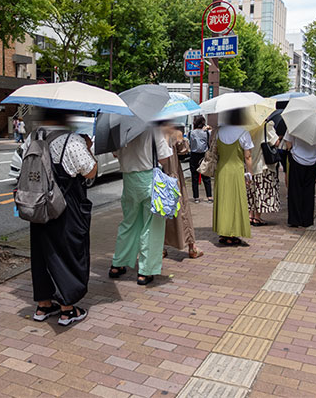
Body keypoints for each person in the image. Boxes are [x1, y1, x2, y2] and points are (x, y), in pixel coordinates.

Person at [24, 109, 97, 326]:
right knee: (69, 251)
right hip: (65, 204)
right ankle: (68, 309)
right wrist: (88, 148)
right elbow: (89, 172)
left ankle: (43, 305)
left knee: (42, 253)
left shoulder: (34, 136)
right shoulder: (72, 141)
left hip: (39, 204)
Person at [110, 127, 172, 285]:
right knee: (151, 225)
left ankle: (118, 264)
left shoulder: (121, 129)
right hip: (149, 178)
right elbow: (164, 158)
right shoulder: (152, 129)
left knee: (129, 222)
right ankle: (145, 271)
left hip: (129, 180)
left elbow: (115, 153)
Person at [161, 123, 203, 259]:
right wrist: (181, 138)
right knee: (181, 209)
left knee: (157, 212)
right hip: (171, 172)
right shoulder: (169, 130)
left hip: (151, 176)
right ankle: (192, 246)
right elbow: (183, 149)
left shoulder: (145, 129)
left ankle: (160, 247)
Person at [213, 110, 255, 246]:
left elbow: (214, 150)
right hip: (237, 171)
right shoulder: (243, 132)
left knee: (223, 200)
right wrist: (250, 173)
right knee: (236, 201)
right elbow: (248, 156)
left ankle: (223, 233)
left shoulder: (218, 131)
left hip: (221, 169)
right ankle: (234, 233)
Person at [246, 121, 281, 226]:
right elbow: (275, 142)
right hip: (263, 164)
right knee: (262, 190)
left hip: (250, 164)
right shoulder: (267, 125)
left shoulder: (247, 125)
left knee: (252, 190)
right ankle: (257, 217)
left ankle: (250, 215)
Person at [283, 131, 316, 227]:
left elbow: (288, 143)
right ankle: (307, 219)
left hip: (297, 159)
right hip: (312, 159)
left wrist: (290, 149)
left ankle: (295, 219)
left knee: (295, 190)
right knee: (309, 191)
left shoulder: (294, 125)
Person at [188, 115, 213, 203]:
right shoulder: (207, 133)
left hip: (194, 155)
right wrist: (209, 128)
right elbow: (212, 134)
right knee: (206, 176)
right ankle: (209, 196)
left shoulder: (191, 132)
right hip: (204, 155)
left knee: (194, 177)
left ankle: (196, 197)